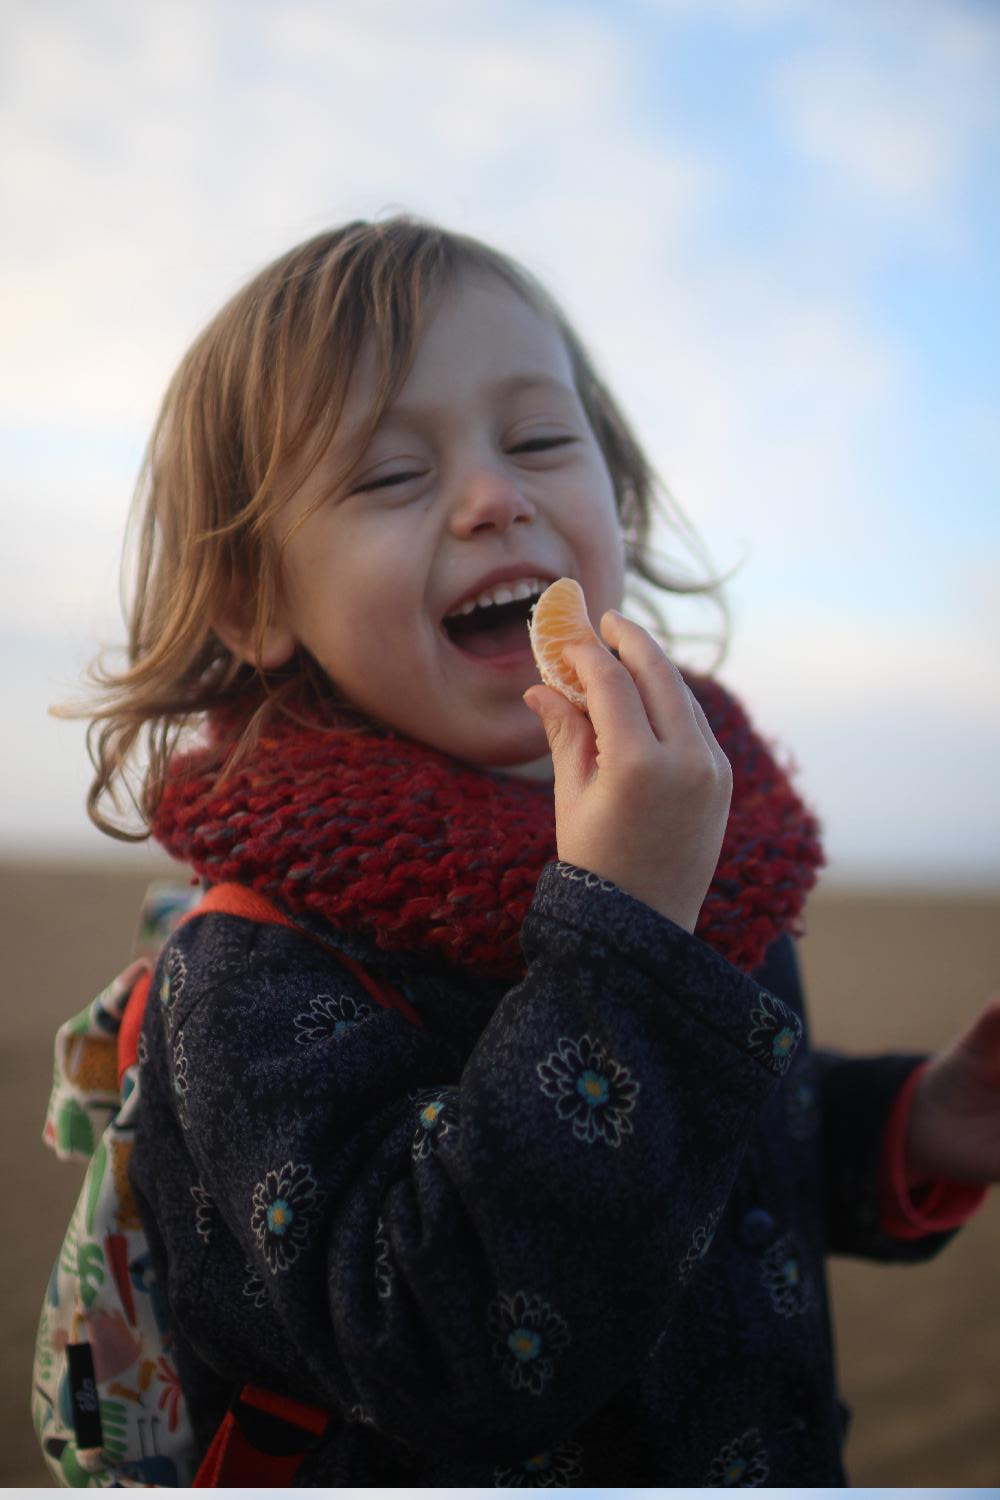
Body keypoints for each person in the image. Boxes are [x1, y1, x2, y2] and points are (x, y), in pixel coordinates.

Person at [69, 217, 996, 1486]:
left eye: (542, 441)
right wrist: (619, 926)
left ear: (612, 499)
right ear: (257, 604)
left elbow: (709, 1159)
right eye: (389, 475)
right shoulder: (248, 973)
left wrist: (907, 1122)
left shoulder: (694, 849)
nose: (494, 495)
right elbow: (450, 1344)